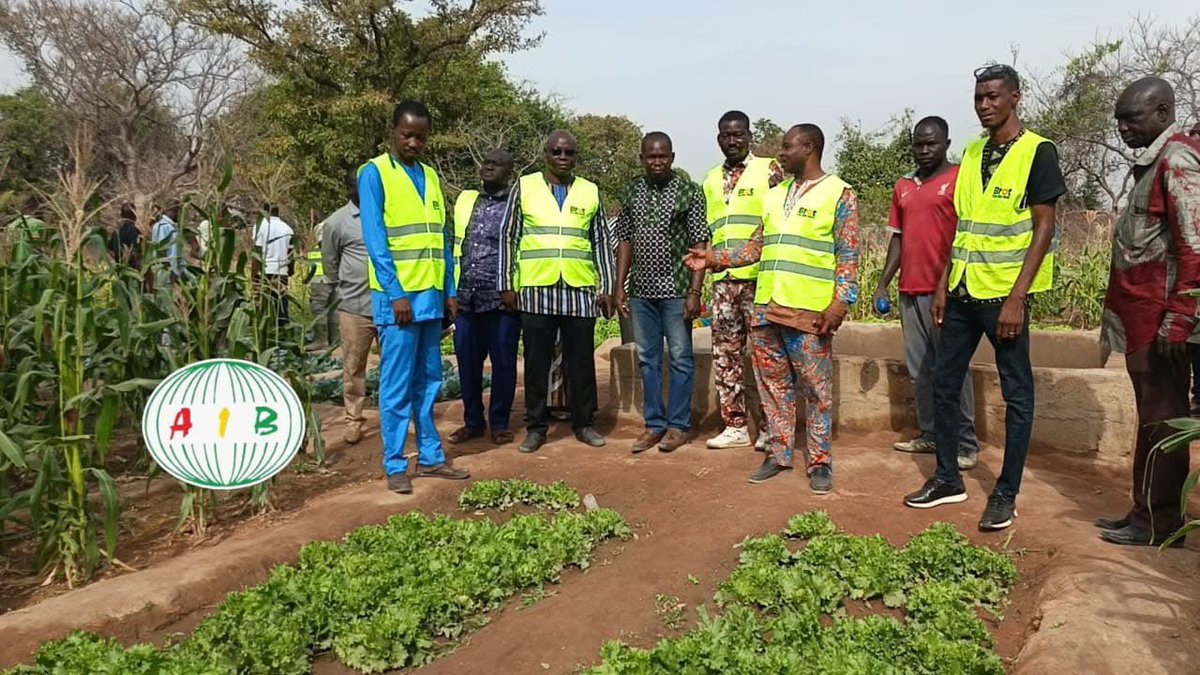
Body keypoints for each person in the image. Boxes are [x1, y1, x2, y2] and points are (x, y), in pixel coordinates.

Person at [903, 65, 1064, 532]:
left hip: (1003, 296)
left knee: (1017, 394)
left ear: (1016, 98)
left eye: (994, 96)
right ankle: (949, 478)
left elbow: (1044, 227)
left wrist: (1018, 297)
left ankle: (1006, 494)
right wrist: (942, 287)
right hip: (962, 291)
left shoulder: (1038, 152)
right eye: (979, 97)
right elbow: (964, 227)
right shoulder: (973, 153)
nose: (985, 104)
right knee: (944, 384)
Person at [687, 124, 860, 493]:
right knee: (773, 387)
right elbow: (755, 248)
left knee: (816, 389)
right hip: (766, 310)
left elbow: (848, 256)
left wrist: (840, 304)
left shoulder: (839, 194)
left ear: (809, 148)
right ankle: (780, 454)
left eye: (788, 147)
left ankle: (819, 462)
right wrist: (714, 257)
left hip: (809, 313)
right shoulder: (774, 195)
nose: (781, 153)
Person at [1095, 77, 1200, 547]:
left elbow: (1193, 249)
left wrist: (1179, 319)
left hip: (1161, 322)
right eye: (1119, 119)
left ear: (1162, 112)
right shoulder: (1151, 163)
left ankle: (1159, 523)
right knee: (1151, 417)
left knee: (1163, 419)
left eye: (1131, 118)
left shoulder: (1176, 160)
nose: (1122, 128)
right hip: (1140, 318)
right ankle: (1143, 512)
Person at [359, 100, 469, 493]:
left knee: (430, 380)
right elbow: (376, 240)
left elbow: (441, 239)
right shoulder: (374, 174)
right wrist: (396, 293)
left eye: (421, 137)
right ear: (393, 132)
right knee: (396, 384)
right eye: (407, 134)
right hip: (399, 302)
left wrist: (449, 292)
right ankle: (394, 463)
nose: (414, 142)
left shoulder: (431, 176)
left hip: (431, 299)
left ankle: (432, 457)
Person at [499, 130, 617, 454]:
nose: (563, 158)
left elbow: (601, 242)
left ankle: (584, 423)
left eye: (569, 153)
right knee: (536, 363)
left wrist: (606, 287)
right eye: (557, 152)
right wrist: (506, 284)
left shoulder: (589, 192)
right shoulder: (524, 187)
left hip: (578, 289)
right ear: (546, 154)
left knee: (581, 362)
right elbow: (508, 236)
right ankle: (536, 427)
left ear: (576, 157)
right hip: (537, 288)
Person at [874, 117, 981, 468]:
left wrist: (945, 287)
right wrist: (883, 282)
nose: (923, 150)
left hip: (948, 292)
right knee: (920, 368)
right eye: (918, 144)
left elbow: (966, 235)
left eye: (930, 144)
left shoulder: (961, 179)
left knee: (952, 368)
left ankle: (965, 443)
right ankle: (931, 434)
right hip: (910, 291)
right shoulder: (904, 186)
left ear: (946, 143)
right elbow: (898, 237)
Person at [615, 131, 709, 454]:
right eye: (650, 156)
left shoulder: (689, 192)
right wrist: (620, 288)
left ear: (672, 157)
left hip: (677, 290)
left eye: (662, 156)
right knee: (647, 359)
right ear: (642, 158)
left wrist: (695, 292)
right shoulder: (630, 192)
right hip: (642, 290)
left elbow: (699, 242)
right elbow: (624, 241)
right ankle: (654, 424)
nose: (657, 162)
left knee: (681, 357)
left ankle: (678, 426)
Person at [702, 110, 784, 452]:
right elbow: (708, 233)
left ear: (749, 135)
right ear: (719, 138)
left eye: (738, 134)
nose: (731, 140)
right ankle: (734, 425)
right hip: (723, 282)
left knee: (766, 357)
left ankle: (769, 428)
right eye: (725, 135)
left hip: (760, 279)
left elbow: (782, 217)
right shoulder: (709, 179)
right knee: (726, 355)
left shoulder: (769, 170)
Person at [448, 149, 520, 446]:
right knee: (467, 364)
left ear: (509, 172)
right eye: (486, 163)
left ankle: (500, 422)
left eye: (497, 164)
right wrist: (450, 292)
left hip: (501, 298)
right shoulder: (466, 200)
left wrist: (515, 287)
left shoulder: (516, 206)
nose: (488, 168)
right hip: (466, 297)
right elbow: (452, 244)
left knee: (503, 363)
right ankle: (473, 422)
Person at [322, 168, 375, 445]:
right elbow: (330, 264)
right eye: (358, 186)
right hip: (354, 307)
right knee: (354, 367)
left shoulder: (385, 213)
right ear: (349, 190)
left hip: (389, 305)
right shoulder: (337, 222)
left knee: (395, 366)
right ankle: (353, 420)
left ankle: (398, 418)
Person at [255, 204, 295, 326]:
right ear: (278, 211)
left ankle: (266, 334)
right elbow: (291, 254)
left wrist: (254, 277)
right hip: (281, 272)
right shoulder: (287, 229)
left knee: (264, 306)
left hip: (264, 271)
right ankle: (283, 334)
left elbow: (255, 253)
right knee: (281, 306)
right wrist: (290, 270)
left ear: (264, 211)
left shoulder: (260, 226)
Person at [307, 215, 339, 350]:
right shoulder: (337, 224)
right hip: (331, 273)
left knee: (319, 307)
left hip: (322, 275)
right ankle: (336, 340)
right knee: (334, 306)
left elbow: (323, 245)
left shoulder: (324, 227)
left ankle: (322, 339)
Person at [108, 202, 142, 267]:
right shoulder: (135, 231)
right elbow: (136, 253)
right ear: (135, 216)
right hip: (132, 270)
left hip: (119, 268)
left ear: (121, 215)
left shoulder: (116, 231)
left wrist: (118, 260)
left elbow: (109, 249)